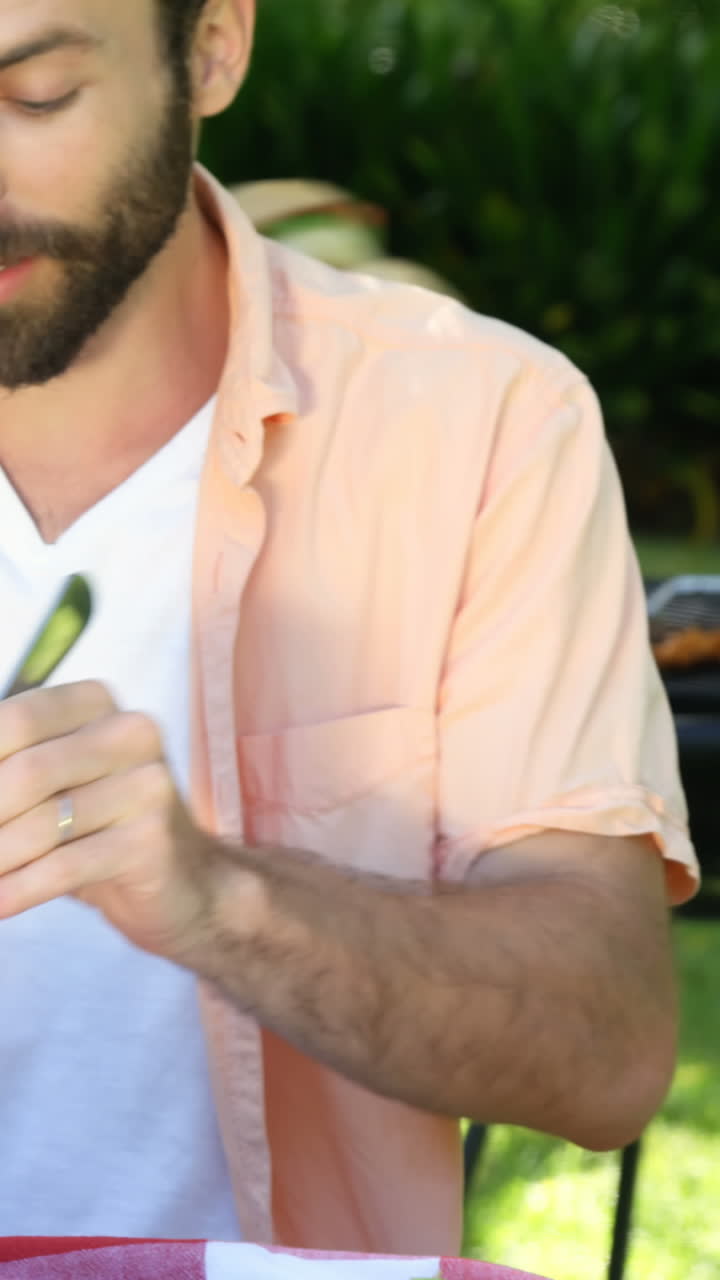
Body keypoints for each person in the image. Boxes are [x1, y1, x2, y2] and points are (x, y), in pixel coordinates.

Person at [0, 0, 698, 1257]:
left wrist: (217, 897)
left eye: (36, 94)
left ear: (212, 44)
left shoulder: (479, 427)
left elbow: (605, 1050)